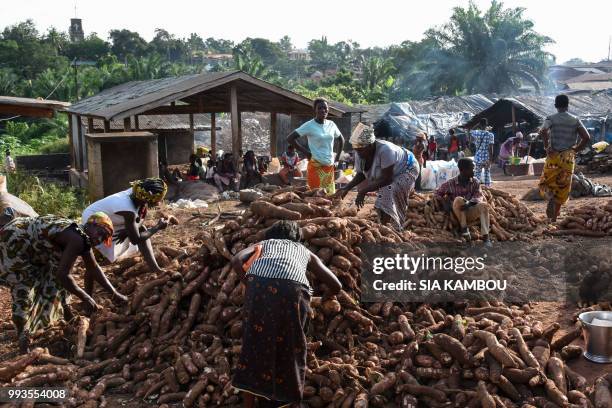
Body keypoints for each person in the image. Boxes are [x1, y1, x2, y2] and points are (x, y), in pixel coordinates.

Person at [230, 220, 342, 408]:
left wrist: (249, 284)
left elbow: (236, 261)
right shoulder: (304, 251)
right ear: (297, 239)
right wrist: (325, 298)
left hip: (258, 287)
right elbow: (336, 285)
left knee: (253, 343)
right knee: (291, 347)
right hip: (292, 291)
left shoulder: (264, 244)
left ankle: (249, 403)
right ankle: (284, 401)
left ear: (271, 235)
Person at [0, 212, 127, 352]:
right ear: (90, 225)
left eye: (104, 238)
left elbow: (94, 268)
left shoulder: (82, 238)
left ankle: (67, 314)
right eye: (100, 232)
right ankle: (23, 338)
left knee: (53, 271)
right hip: (14, 241)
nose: (99, 239)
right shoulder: (77, 238)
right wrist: (86, 297)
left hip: (29, 243)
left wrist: (115, 294)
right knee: (24, 284)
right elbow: (63, 276)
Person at [335, 126, 420, 230]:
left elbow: (387, 179)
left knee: (388, 189)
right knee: (380, 192)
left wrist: (363, 192)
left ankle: (391, 227)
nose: (358, 153)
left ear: (370, 145)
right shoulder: (360, 153)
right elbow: (361, 174)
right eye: (356, 150)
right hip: (391, 173)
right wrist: (347, 188)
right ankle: (383, 222)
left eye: (360, 150)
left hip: (408, 168)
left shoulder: (386, 150)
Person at [82, 178, 169, 273]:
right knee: (103, 260)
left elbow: (140, 220)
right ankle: (88, 258)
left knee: (140, 229)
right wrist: (157, 227)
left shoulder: (138, 194)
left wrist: (128, 230)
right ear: (149, 198)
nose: (158, 203)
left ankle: (155, 268)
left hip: (111, 219)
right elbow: (135, 239)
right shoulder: (128, 209)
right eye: (158, 200)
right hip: (94, 220)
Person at [539, 94, 590, 222]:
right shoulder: (575, 120)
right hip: (568, 157)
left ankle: (550, 196)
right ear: (568, 105)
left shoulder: (551, 118)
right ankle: (554, 218)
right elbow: (587, 137)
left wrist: (547, 146)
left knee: (548, 181)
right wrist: (575, 149)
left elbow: (543, 131)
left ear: (556, 105)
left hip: (553, 155)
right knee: (563, 187)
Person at [287, 98, 344, 195]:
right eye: (319, 108)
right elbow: (290, 138)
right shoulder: (309, 125)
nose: (323, 110)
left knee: (329, 196)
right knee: (316, 196)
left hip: (329, 167)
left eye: (325, 108)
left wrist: (337, 159)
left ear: (328, 109)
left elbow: (341, 139)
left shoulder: (331, 124)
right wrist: (306, 152)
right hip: (315, 165)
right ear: (315, 110)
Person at [435, 158, 492, 246]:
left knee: (484, 205)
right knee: (458, 199)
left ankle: (486, 237)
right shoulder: (451, 183)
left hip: (470, 211)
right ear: (462, 170)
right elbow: (437, 193)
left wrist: (469, 204)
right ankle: (464, 230)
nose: (474, 171)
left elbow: (479, 195)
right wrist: (444, 202)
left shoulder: (475, 182)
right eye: (472, 169)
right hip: (457, 214)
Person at [470, 118, 495, 187]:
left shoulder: (476, 133)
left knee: (477, 174)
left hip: (478, 157)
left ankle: (476, 188)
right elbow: (491, 148)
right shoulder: (490, 135)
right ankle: (488, 188)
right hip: (486, 157)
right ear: (486, 125)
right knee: (487, 173)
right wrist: (491, 159)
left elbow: (471, 130)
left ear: (480, 125)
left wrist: (477, 124)